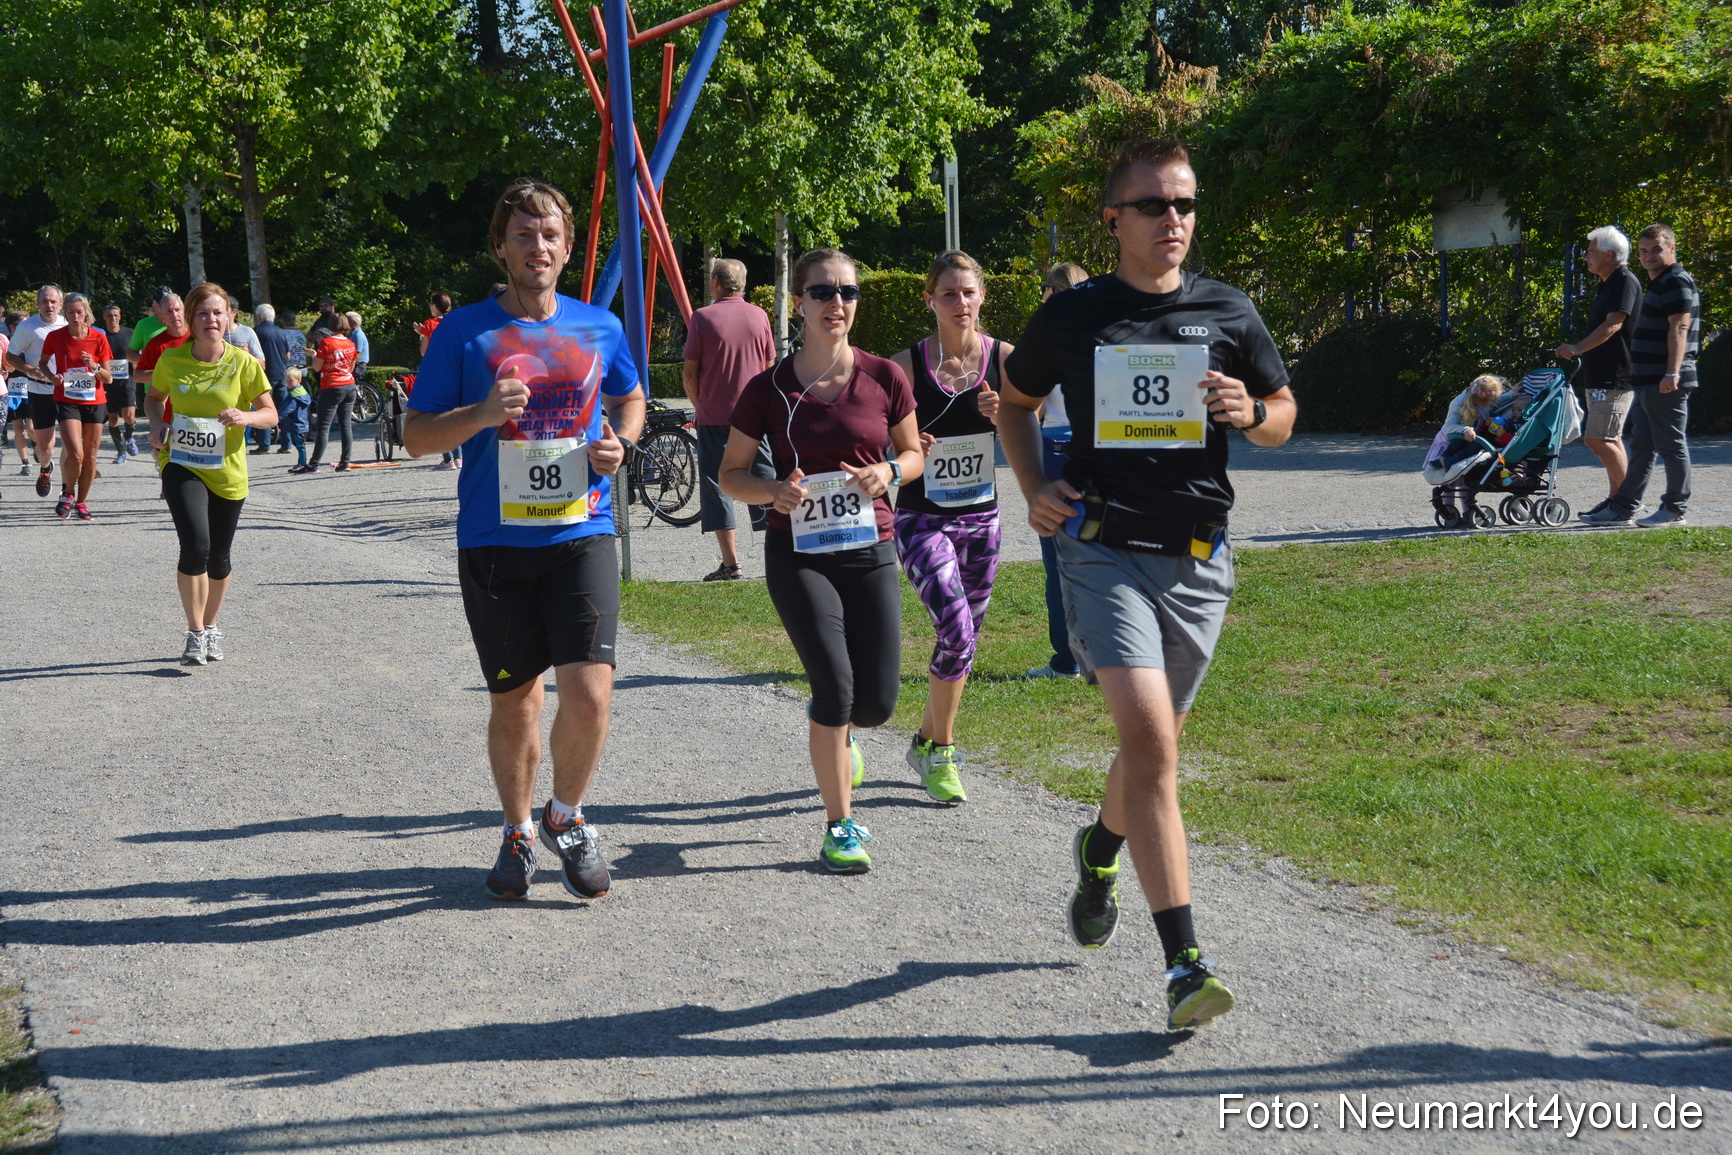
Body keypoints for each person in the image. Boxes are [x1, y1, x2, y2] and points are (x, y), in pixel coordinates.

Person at [998, 137, 1297, 1031]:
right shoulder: (1075, 313)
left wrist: (1252, 413)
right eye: (1156, 206)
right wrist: (1034, 488)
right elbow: (1011, 401)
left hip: (1201, 559)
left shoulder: (1228, 309)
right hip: (1102, 550)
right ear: (1113, 219)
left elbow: (1284, 413)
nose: (1175, 221)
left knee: (1148, 751)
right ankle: (1184, 965)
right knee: (1155, 750)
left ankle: (1099, 851)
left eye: (1186, 205)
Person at [402, 177, 645, 903]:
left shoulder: (599, 325)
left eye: (548, 235)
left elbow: (629, 396)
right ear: (499, 247)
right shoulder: (465, 331)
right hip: (495, 542)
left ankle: (565, 817)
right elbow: (414, 435)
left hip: (583, 530)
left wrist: (622, 446)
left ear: (568, 248)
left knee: (592, 694)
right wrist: (478, 414)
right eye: (521, 235)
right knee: (516, 703)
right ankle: (515, 828)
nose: (536, 246)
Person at [721, 248, 925, 874]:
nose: (838, 303)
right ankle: (840, 825)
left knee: (877, 705)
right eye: (823, 292)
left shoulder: (885, 377)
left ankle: (845, 733)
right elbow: (729, 474)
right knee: (834, 689)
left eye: (849, 292)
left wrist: (887, 471)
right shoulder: (770, 388)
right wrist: (771, 491)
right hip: (799, 552)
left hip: (871, 547)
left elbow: (914, 455)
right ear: (799, 303)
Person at [888, 250, 1007, 805]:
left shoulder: (1005, 359)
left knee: (963, 639)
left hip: (982, 517)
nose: (959, 303)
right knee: (956, 628)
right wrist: (906, 446)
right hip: (920, 517)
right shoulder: (905, 367)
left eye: (968, 292)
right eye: (948, 294)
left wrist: (1008, 415)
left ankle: (923, 740)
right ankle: (943, 752)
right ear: (929, 300)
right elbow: (868, 434)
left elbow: (1051, 423)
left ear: (983, 295)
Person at [144, 283, 278, 665]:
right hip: (182, 464)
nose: (211, 320)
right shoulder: (172, 360)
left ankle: (211, 626)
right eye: (202, 313)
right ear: (189, 318)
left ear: (231, 318)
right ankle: (195, 632)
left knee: (219, 557)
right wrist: (156, 426)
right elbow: (154, 398)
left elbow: (271, 413)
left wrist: (246, 416)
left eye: (218, 313)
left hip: (228, 471)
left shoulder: (243, 362)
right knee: (196, 545)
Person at [1582, 224, 1700, 528]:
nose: (1648, 256)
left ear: (1672, 249)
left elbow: (1680, 327)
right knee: (1643, 446)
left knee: (1671, 445)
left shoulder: (1675, 281)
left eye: (1656, 249)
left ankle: (1675, 508)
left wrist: (1671, 372)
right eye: (1644, 250)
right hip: (1648, 378)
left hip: (1666, 379)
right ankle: (1623, 506)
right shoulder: (1660, 282)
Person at [683, 257, 776, 580]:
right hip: (753, 414)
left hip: (713, 414)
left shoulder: (702, 318)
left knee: (716, 484)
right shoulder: (759, 316)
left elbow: (690, 372)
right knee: (765, 481)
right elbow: (768, 366)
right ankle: (778, 555)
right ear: (744, 284)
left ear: (715, 283)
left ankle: (731, 563)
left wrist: (701, 404)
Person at [1027, 262, 1090, 680]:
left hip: (1055, 448)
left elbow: (1028, 408)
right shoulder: (1104, 337)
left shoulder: (1045, 337)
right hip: (1096, 449)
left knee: (1057, 559)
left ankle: (1066, 660)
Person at [1555, 226, 1642, 515]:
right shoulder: (1609, 282)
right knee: (1611, 439)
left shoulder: (1624, 281)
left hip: (1614, 375)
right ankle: (1617, 501)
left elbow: (1614, 324)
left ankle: (1628, 501)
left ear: (1607, 254)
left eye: (1590, 252)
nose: (1585, 257)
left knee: (1598, 439)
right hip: (1602, 374)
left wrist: (1578, 347)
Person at [39, 294, 115, 520]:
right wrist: (52, 377)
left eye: (79, 312)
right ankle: (67, 493)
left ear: (86, 313)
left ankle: (81, 502)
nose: (75, 316)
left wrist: (93, 365)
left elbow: (108, 377)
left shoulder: (99, 338)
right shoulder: (55, 336)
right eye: (70, 312)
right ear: (65, 314)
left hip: (95, 401)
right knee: (76, 453)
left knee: (91, 456)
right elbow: (42, 363)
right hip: (67, 399)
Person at [6, 284, 68, 497]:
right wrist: (28, 369)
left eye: (53, 301)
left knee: (71, 441)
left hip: (68, 391)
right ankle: (45, 468)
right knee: (44, 445)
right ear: (37, 304)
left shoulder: (70, 323)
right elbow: (11, 356)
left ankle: (67, 489)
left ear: (60, 304)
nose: (49, 305)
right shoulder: (27, 327)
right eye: (44, 301)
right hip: (40, 390)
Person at [295, 314, 359, 474]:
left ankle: (313, 464)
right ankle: (345, 462)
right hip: (349, 385)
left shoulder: (326, 342)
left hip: (331, 386)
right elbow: (351, 368)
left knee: (324, 427)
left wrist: (315, 356)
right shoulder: (351, 343)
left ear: (330, 325)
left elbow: (317, 367)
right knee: (346, 425)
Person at [416, 293, 462, 470]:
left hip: (436, 370)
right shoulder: (456, 321)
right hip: (456, 369)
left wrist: (422, 335)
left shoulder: (430, 323)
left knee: (438, 415)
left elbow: (424, 352)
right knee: (454, 413)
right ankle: (459, 457)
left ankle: (448, 458)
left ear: (435, 306)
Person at [251, 303, 293, 454]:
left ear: (259, 317)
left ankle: (264, 445)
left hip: (266, 375)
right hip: (281, 374)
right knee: (282, 410)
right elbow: (288, 355)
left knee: (264, 409)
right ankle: (287, 444)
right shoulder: (281, 332)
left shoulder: (257, 332)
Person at [100, 303, 138, 464]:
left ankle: (129, 436)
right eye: (109, 316)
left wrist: (137, 364)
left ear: (120, 316)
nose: (113, 319)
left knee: (129, 415)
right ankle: (120, 452)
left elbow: (137, 352)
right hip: (108, 384)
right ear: (104, 317)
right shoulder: (101, 336)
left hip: (127, 381)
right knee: (113, 418)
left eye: (115, 315)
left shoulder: (130, 333)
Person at [278, 367, 312, 468]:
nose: (288, 383)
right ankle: (301, 462)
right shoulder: (302, 392)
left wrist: (277, 418)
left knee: (300, 445)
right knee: (298, 444)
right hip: (302, 422)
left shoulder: (294, 395)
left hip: (297, 423)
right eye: (286, 380)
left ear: (299, 380)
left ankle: (302, 463)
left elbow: (287, 409)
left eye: (291, 380)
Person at [225, 296, 267, 369]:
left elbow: (262, 365)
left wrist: (247, 356)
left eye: (225, 310)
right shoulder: (211, 333)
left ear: (234, 312)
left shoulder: (247, 332)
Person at [344, 311, 370, 382]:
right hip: (356, 365)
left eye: (347, 321)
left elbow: (357, 354)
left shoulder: (358, 335)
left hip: (358, 366)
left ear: (354, 323)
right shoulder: (353, 334)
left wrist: (349, 367)